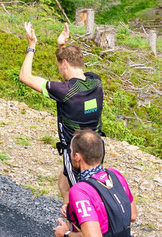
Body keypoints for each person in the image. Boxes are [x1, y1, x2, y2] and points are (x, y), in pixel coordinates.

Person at [19, 22, 103, 199]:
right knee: (63, 185)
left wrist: (31, 45)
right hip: (96, 148)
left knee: (80, 195)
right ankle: (72, 221)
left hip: (75, 152)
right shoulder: (95, 81)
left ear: (64, 64)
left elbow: (24, 77)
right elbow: (72, 81)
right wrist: (62, 47)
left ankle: (78, 226)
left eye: (60, 66)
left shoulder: (63, 91)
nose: (59, 70)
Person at [54, 129, 136, 237]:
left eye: (71, 151)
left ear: (77, 157)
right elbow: (132, 215)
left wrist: (65, 234)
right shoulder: (115, 175)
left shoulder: (80, 190)